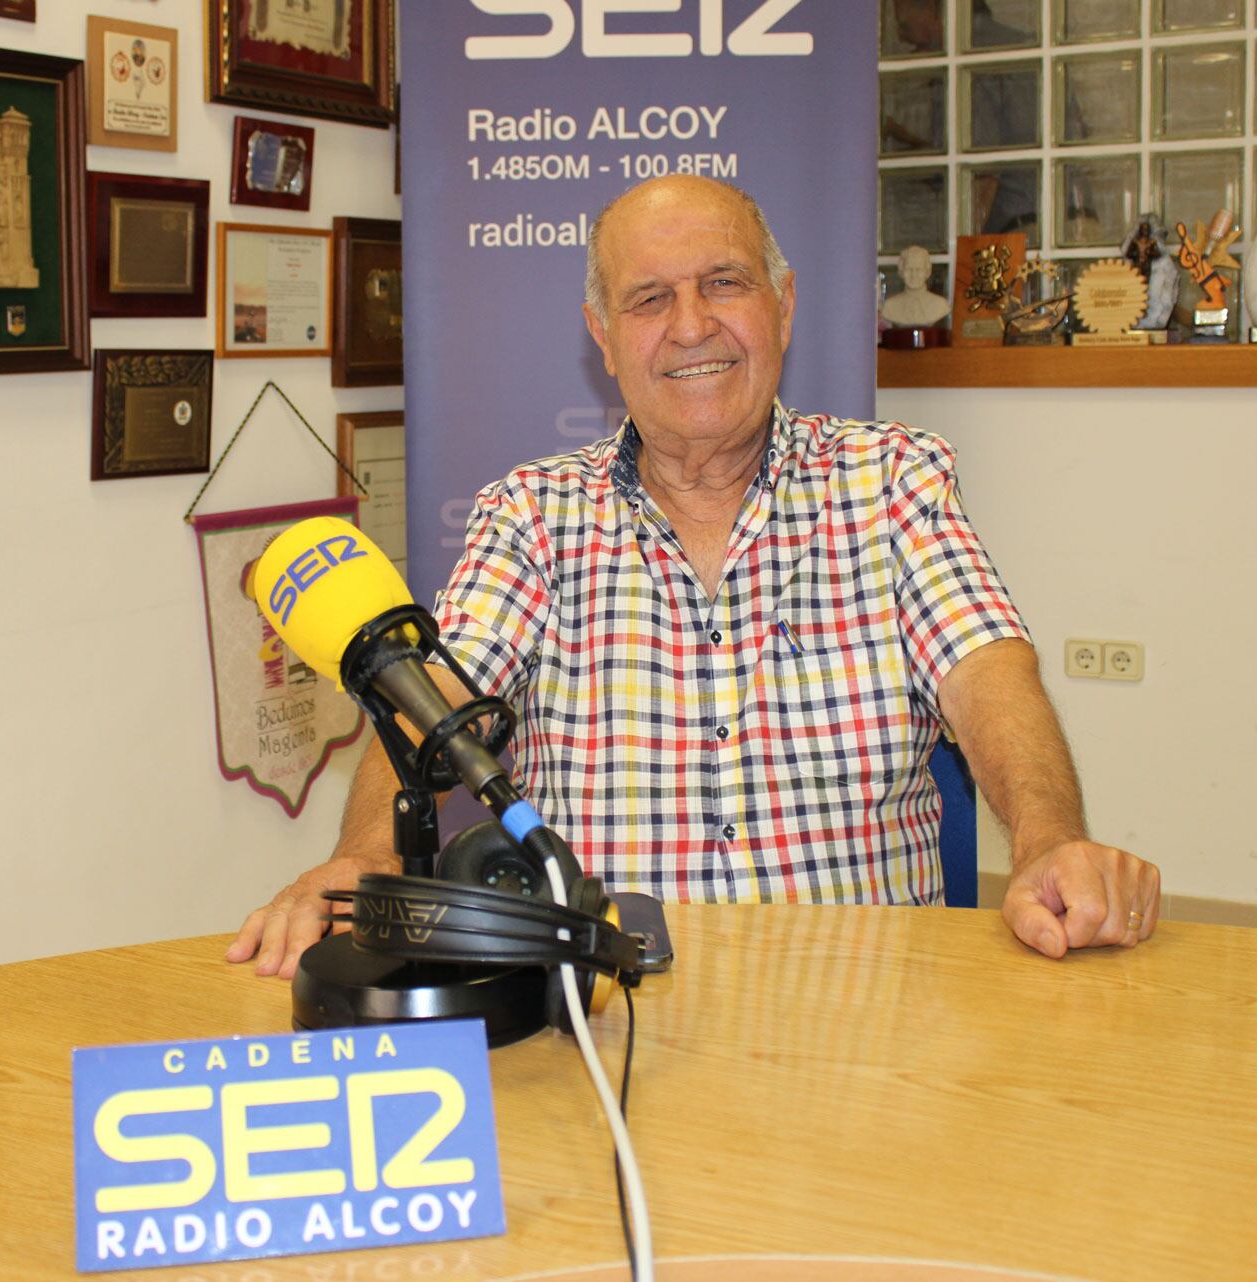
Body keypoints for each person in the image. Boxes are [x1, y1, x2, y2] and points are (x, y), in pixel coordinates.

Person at [228, 175, 1161, 979]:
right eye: (648, 300)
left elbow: (988, 674)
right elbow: (428, 705)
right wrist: (360, 857)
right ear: (602, 333)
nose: (691, 326)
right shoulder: (531, 514)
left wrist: (1047, 839)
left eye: (725, 283)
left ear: (784, 305)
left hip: (873, 1013)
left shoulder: (893, 480)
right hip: (607, 1010)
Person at [880, 244, 950, 327]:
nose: (913, 275)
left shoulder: (941, 305)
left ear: (927, 272)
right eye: (908, 269)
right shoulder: (889, 307)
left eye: (918, 269)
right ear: (901, 272)